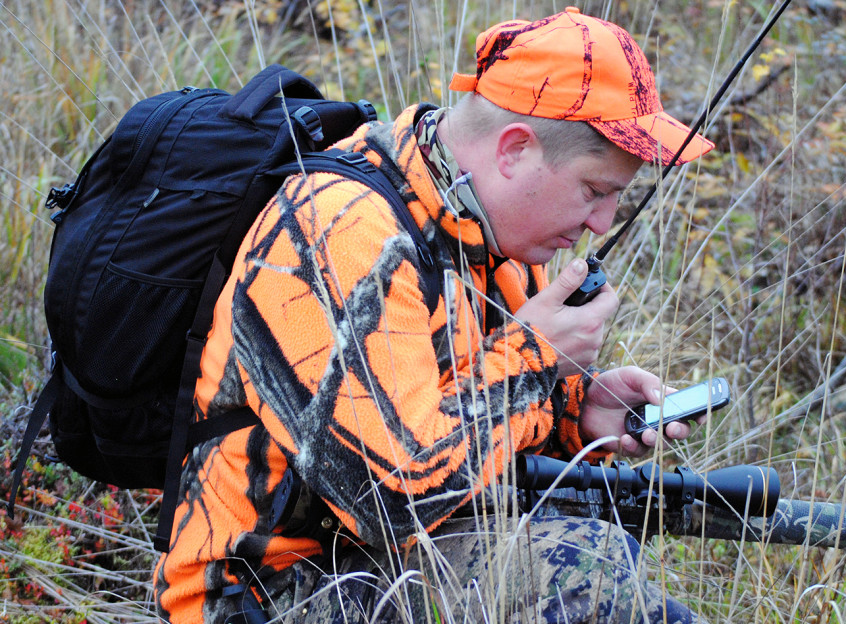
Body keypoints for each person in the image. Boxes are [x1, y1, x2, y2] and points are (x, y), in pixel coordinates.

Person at [154, 7, 714, 623]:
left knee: (587, 548)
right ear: (515, 150)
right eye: (595, 191)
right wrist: (533, 359)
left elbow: (458, 415)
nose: (601, 223)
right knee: (576, 569)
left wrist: (577, 415)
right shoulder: (341, 230)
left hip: (381, 565)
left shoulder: (489, 234)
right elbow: (389, 499)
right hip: (262, 593)